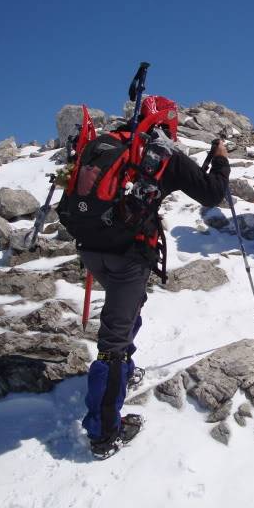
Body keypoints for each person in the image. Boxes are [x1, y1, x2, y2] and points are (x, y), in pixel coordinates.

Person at [62, 96, 231, 459]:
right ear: (168, 123)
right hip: (129, 256)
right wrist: (220, 159)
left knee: (128, 309)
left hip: (92, 250)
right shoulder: (163, 153)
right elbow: (213, 193)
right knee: (113, 343)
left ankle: (124, 372)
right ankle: (104, 432)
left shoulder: (107, 142)